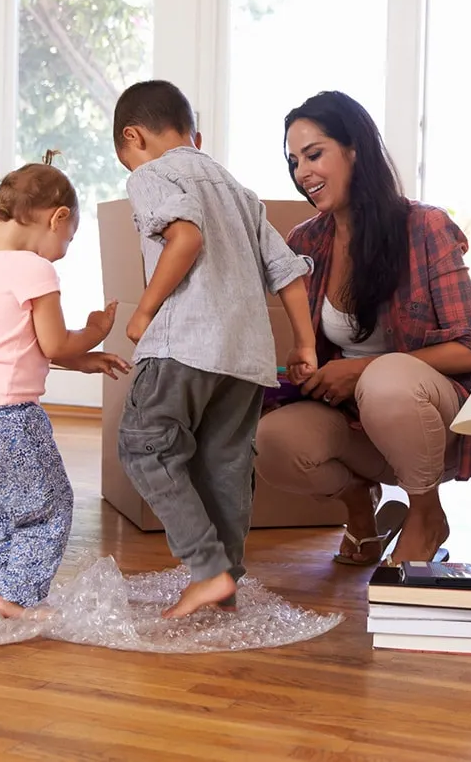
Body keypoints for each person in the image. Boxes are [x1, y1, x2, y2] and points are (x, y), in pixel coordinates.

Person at [253, 90, 471, 567]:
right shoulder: (306, 241)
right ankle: (359, 507)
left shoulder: (426, 228)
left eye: (315, 154)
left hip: (425, 418)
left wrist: (361, 373)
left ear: (355, 149)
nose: (303, 173)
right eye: (294, 161)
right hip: (357, 418)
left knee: (385, 382)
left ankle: (426, 514)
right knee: (270, 441)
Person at [113, 80, 318, 618]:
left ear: (132, 138)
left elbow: (185, 238)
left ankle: (206, 570)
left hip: (185, 340)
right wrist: (303, 343)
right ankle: (226, 576)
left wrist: (145, 309)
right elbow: (287, 271)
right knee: (222, 464)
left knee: (145, 445)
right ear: (195, 136)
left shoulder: (153, 174)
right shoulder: (239, 191)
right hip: (246, 355)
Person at [0, 153, 129, 618]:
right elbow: (53, 345)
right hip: (7, 421)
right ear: (58, 217)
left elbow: (12, 346)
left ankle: (3, 593)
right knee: (49, 507)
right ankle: (17, 599)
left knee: (9, 511)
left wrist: (83, 361)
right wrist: (95, 330)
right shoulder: (34, 269)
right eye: (69, 238)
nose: (64, 249)